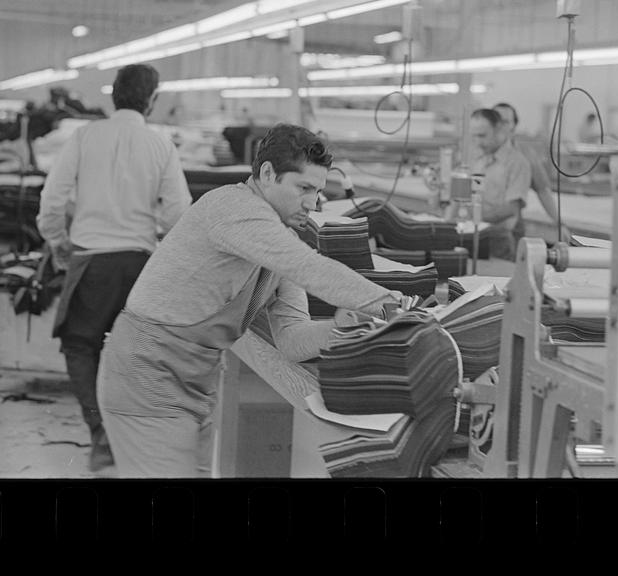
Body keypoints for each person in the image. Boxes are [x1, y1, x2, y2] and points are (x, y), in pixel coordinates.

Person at [96, 123, 404, 478]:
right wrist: (390, 301)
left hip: (193, 381)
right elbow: (308, 267)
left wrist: (340, 328)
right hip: (146, 375)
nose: (313, 203)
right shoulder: (232, 207)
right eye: (303, 187)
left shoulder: (277, 243)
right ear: (268, 173)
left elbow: (290, 337)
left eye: (318, 191)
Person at [36, 64, 192, 473]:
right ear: (152, 100)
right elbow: (180, 215)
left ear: (113, 96)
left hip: (90, 260)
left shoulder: (85, 137)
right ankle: (133, 439)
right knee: (138, 353)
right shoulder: (161, 146)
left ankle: (101, 435)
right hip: (140, 264)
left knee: (79, 345)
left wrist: (58, 244)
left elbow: (52, 199)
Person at [447, 108, 531, 261]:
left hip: (498, 240)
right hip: (471, 234)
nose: (478, 142)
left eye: (482, 136)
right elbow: (460, 194)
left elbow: (511, 208)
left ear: (498, 129)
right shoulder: (477, 158)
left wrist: (475, 222)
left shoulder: (517, 163)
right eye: (474, 137)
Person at [492, 102, 571, 244]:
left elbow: (543, 191)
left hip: (511, 231)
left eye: (505, 121)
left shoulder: (525, 155)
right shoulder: (477, 152)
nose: (499, 125)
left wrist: (559, 223)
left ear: (513, 126)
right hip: (480, 226)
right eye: (495, 120)